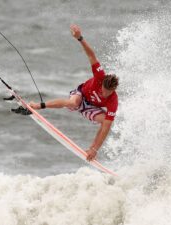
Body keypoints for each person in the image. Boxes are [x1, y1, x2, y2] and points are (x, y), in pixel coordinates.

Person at [29, 24, 119, 161]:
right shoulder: (100, 75)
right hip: (81, 94)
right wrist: (80, 38)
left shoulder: (113, 101)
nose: (104, 94)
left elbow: (106, 127)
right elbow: (91, 55)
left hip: (91, 108)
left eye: (108, 93)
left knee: (106, 121)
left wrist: (95, 149)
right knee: (73, 103)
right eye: (103, 91)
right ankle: (38, 106)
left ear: (113, 90)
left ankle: (91, 149)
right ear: (102, 84)